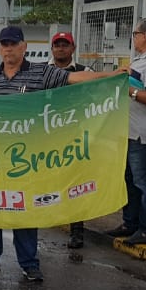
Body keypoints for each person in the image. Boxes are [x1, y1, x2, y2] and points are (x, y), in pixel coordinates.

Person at [0, 26, 112, 282]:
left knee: (25, 209)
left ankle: (29, 262)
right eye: (4, 44)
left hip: (28, 160)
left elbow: (75, 79)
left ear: (24, 47)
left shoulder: (41, 73)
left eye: (13, 44)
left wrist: (113, 76)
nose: (8, 48)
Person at [107, 18, 146, 246]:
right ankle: (130, 223)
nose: (133, 38)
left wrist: (130, 91)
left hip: (143, 135)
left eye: (135, 34)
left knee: (145, 182)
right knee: (129, 181)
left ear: (144, 36)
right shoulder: (142, 60)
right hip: (129, 132)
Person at [48, 30, 90, 249]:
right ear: (52, 48)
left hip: (75, 138)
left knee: (76, 187)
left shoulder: (85, 72)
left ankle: (77, 233)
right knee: (44, 184)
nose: (61, 48)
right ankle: (42, 221)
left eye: (65, 44)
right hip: (47, 138)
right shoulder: (41, 72)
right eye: (57, 45)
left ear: (73, 48)